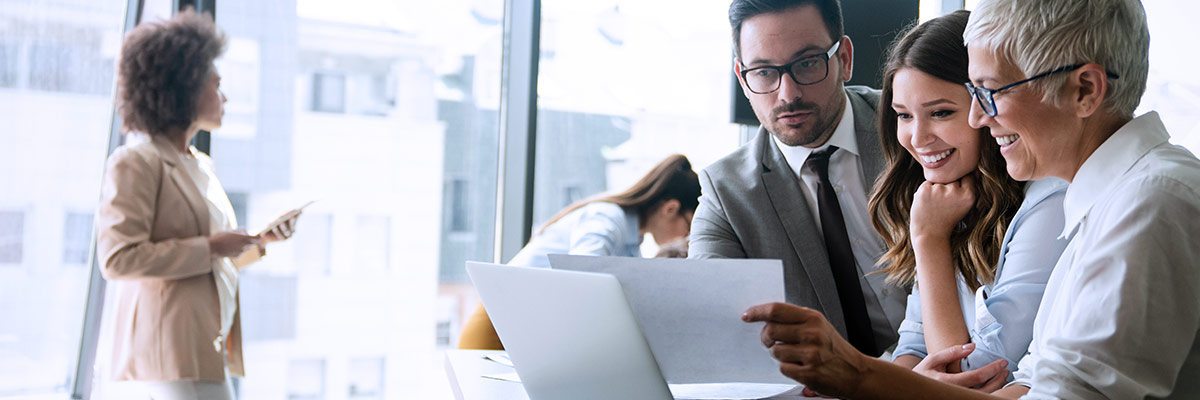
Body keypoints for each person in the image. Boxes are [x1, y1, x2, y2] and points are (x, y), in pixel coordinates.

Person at [742, 0, 1200, 398]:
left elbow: (1003, 381)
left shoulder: (1147, 204)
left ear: (1084, 90)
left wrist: (858, 374)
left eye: (990, 91)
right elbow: (1020, 383)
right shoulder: (1102, 202)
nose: (979, 116)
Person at [94, 10, 300, 400]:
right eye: (216, 84)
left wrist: (258, 242)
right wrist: (212, 247)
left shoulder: (197, 164)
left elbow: (203, 260)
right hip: (165, 357)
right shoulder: (136, 162)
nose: (225, 96)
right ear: (185, 88)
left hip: (202, 346)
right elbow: (117, 259)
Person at [689, 0, 905, 357]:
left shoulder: (908, 125)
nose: (788, 94)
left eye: (807, 63)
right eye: (763, 72)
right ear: (742, 78)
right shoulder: (727, 191)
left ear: (844, 59)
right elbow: (710, 311)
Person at [870, 10, 1067, 387]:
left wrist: (929, 241)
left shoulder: (1049, 200)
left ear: (987, 105)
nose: (918, 137)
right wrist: (853, 382)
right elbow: (914, 342)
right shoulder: (949, 195)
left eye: (941, 113)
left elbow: (971, 376)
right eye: (904, 116)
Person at [457, 154, 701, 349]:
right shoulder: (607, 217)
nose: (685, 237)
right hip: (500, 322)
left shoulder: (630, 244)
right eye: (689, 226)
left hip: (526, 325)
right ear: (671, 209)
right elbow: (582, 274)